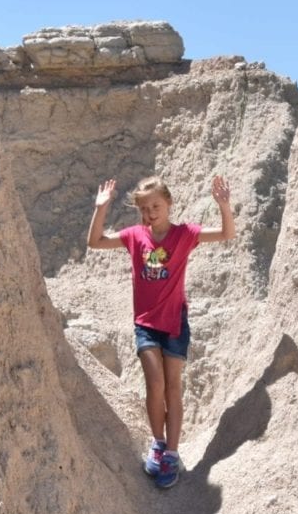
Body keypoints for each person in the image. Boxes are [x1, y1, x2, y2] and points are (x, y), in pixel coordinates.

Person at [86, 174, 235, 488]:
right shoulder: (135, 236)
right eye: (144, 208)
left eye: (155, 205)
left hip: (175, 324)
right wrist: (101, 208)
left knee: (172, 388)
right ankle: (157, 443)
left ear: (168, 203)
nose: (150, 212)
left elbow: (225, 233)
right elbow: (95, 242)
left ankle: (172, 452)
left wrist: (223, 205)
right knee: (155, 384)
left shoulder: (185, 234)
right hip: (146, 325)